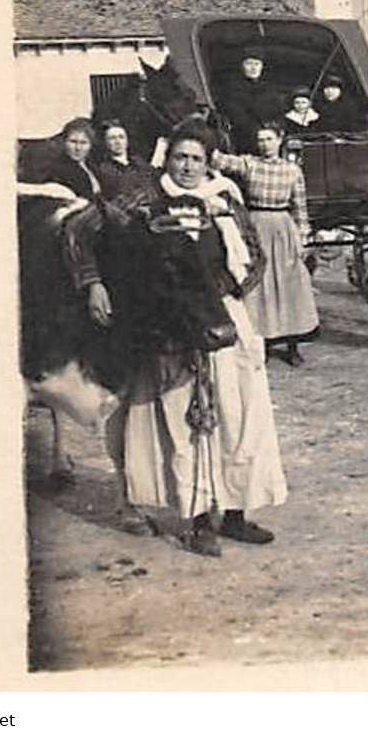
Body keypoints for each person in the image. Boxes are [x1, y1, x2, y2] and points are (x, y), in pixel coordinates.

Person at [74, 119, 287, 557]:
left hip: (224, 320)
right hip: (169, 327)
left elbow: (256, 257)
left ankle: (234, 514)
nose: (187, 166)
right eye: (179, 157)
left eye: (196, 159)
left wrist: (224, 290)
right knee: (184, 421)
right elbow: (80, 231)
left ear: (209, 162)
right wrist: (93, 282)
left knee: (237, 414)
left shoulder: (225, 198)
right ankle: (195, 520)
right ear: (167, 158)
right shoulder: (142, 199)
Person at [211, 121, 320, 366]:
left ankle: (293, 345)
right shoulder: (250, 163)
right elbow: (219, 160)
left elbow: (300, 207)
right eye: (260, 140)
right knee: (259, 286)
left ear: (280, 139)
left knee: (289, 284)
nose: (264, 144)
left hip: (283, 228)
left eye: (269, 139)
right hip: (256, 226)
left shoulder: (292, 170)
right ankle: (263, 342)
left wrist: (303, 237)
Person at [18, 117, 102, 201]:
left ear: (91, 145)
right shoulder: (58, 169)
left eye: (83, 143)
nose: (78, 148)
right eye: (73, 142)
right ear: (64, 142)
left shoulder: (92, 166)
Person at [223, 47, 282, 154]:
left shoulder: (270, 89)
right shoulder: (232, 89)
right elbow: (237, 116)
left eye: (257, 64)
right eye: (249, 63)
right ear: (242, 66)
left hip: (271, 137)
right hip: (244, 139)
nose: (253, 68)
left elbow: (278, 112)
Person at [93, 119, 155, 199]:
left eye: (121, 137)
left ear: (127, 141)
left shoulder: (140, 163)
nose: (118, 142)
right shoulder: (103, 170)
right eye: (112, 138)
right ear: (105, 142)